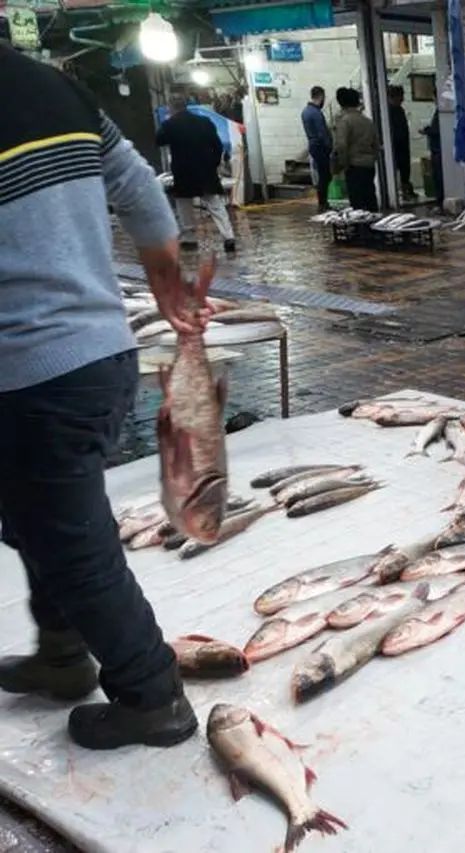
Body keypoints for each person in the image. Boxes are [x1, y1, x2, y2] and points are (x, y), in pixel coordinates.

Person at [0, 42, 201, 750]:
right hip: (100, 353)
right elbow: (142, 192)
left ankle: (153, 695)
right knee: (35, 516)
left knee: (72, 542)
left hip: (33, 371)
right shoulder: (56, 87)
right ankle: (62, 654)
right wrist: (166, 287)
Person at [156, 92, 236, 254]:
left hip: (183, 172)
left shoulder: (170, 124)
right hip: (206, 170)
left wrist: (166, 123)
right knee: (215, 205)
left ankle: (190, 238)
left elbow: (158, 141)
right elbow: (218, 146)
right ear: (186, 106)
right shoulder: (204, 122)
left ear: (171, 108)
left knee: (184, 205)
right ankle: (228, 237)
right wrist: (213, 164)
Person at [331, 87, 380, 212]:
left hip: (353, 165)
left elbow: (341, 145)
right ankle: (374, 220)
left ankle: (361, 223)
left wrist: (343, 164)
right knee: (370, 196)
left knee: (357, 200)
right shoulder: (367, 121)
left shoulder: (345, 121)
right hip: (368, 164)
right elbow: (376, 144)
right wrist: (373, 158)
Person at [301, 86, 334, 211]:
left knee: (321, 175)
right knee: (325, 176)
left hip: (313, 145)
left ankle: (322, 202)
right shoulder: (316, 113)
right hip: (321, 147)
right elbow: (322, 133)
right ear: (321, 96)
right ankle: (323, 203)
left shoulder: (305, 111)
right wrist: (330, 147)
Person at [387, 85, 416, 200]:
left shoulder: (399, 110)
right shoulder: (388, 111)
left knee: (405, 169)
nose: (402, 99)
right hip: (394, 146)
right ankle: (399, 192)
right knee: (396, 169)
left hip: (403, 145)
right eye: (400, 96)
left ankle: (405, 190)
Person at [422, 111, 444, 209]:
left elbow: (436, 130)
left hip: (437, 150)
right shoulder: (438, 114)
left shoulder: (440, 114)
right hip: (437, 149)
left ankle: (440, 200)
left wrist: (427, 130)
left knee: (438, 176)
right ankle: (439, 199)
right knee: (437, 175)